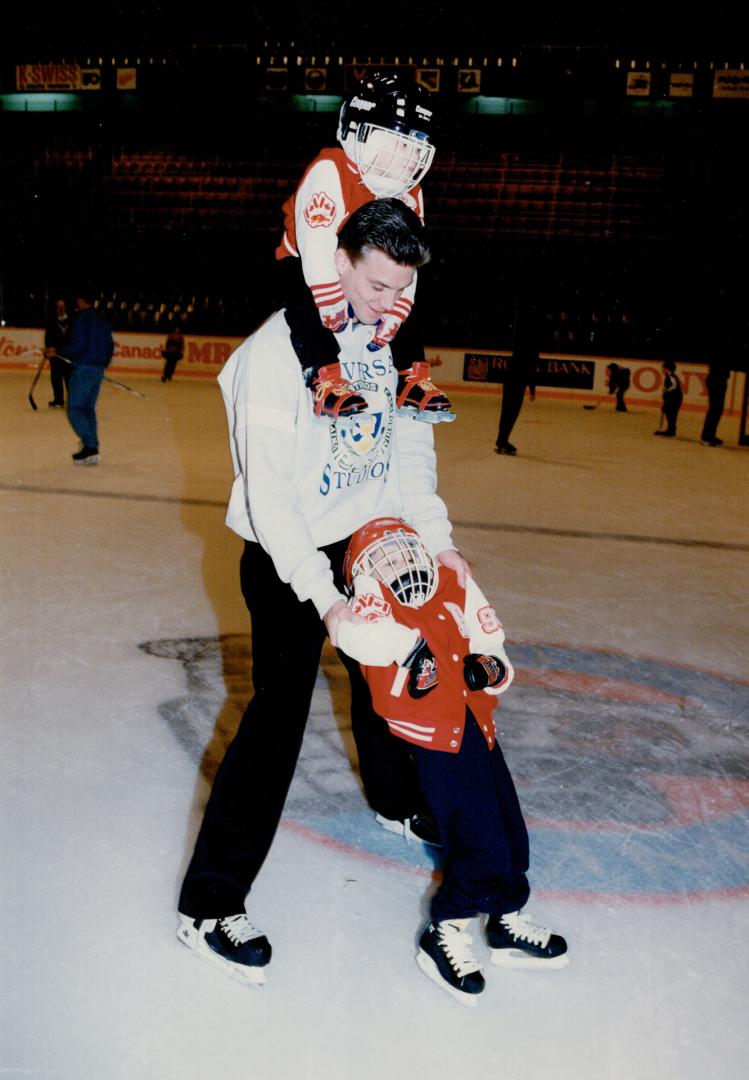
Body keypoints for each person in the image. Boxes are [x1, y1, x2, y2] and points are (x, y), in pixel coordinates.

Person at [176, 199, 469, 987]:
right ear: (337, 262)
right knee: (277, 717)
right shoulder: (271, 357)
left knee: (386, 686)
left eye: (403, 289)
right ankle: (209, 903)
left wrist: (439, 547)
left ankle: (395, 801)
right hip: (285, 556)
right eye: (377, 287)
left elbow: (408, 455)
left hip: (363, 541)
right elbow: (270, 499)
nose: (389, 306)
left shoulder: (389, 340)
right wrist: (325, 597)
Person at [337, 516, 568, 1006]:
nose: (400, 564)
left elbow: (489, 640)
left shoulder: (450, 581)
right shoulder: (375, 605)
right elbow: (361, 637)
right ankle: (444, 929)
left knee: (508, 830)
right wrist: (410, 648)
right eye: (384, 558)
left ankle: (505, 920)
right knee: (478, 841)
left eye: (404, 551)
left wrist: (490, 667)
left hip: (478, 725)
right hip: (436, 740)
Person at [275, 71, 454, 425]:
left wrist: (400, 306)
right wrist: (330, 303)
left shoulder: (410, 190)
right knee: (304, 301)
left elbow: (408, 262)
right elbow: (317, 245)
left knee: (401, 285)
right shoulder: (331, 168)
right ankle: (325, 377)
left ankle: (412, 377)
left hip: (363, 271)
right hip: (306, 261)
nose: (407, 157)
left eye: (416, 145)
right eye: (398, 142)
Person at [61, 293, 115, 465]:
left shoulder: (82, 319)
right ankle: (91, 447)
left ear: (82, 300)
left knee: (75, 409)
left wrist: (58, 351)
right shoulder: (102, 319)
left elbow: (78, 345)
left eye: (78, 300)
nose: (76, 303)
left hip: (83, 368)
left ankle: (91, 446)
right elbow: (110, 345)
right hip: (97, 369)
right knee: (87, 409)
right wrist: (102, 364)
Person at [495, 303, 539, 455]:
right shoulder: (532, 349)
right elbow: (532, 371)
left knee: (506, 411)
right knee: (512, 413)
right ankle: (502, 440)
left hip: (510, 380)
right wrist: (532, 391)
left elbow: (518, 332)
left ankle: (501, 440)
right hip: (518, 382)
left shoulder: (519, 344)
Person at [44, 298, 71, 408]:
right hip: (54, 355)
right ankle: (58, 400)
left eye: (62, 306)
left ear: (65, 308)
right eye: (58, 306)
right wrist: (49, 348)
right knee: (56, 378)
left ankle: (72, 401)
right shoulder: (51, 321)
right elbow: (48, 337)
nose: (60, 308)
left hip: (67, 354)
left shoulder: (71, 321)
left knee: (69, 378)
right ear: (56, 308)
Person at [700, 359, 730, 447]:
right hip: (717, 378)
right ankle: (706, 436)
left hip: (719, 378)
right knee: (715, 409)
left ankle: (710, 435)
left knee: (717, 409)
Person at [654, 359, 683, 437]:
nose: (662, 370)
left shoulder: (671, 376)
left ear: (667, 369)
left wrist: (667, 390)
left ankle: (671, 431)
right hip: (672, 398)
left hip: (674, 398)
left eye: (663, 368)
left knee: (671, 414)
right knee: (669, 414)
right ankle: (670, 429)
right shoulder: (669, 376)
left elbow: (674, 385)